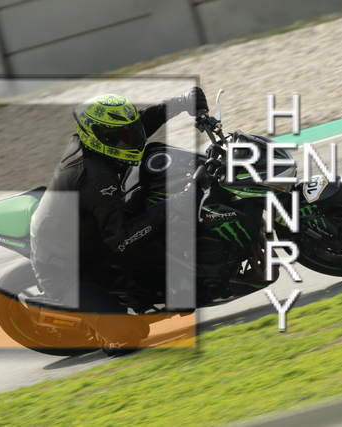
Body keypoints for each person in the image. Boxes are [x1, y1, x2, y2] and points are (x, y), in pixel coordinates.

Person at [29, 88, 208, 354]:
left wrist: (181, 102)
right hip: (68, 270)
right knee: (127, 339)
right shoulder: (95, 179)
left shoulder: (100, 144)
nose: (130, 139)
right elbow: (121, 239)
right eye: (120, 136)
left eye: (129, 132)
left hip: (94, 240)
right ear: (99, 136)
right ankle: (85, 320)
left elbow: (137, 126)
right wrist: (174, 206)